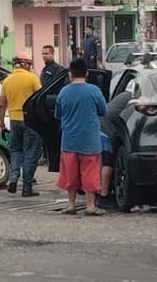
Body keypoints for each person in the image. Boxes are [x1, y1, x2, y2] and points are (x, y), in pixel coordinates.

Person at [54, 59, 107, 216]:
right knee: (90, 173)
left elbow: (58, 114)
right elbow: (103, 111)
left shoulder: (63, 92)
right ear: (87, 73)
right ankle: (90, 206)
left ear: (70, 74)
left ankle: (71, 205)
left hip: (69, 140)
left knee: (70, 174)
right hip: (90, 140)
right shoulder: (94, 91)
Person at [0, 51, 42, 197]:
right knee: (30, 152)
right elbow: (40, 99)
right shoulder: (32, 78)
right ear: (25, 63)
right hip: (31, 121)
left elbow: (2, 104)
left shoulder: (7, 80)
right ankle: (27, 187)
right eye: (29, 63)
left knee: (15, 150)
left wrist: (1, 123)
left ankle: (13, 178)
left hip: (14, 120)